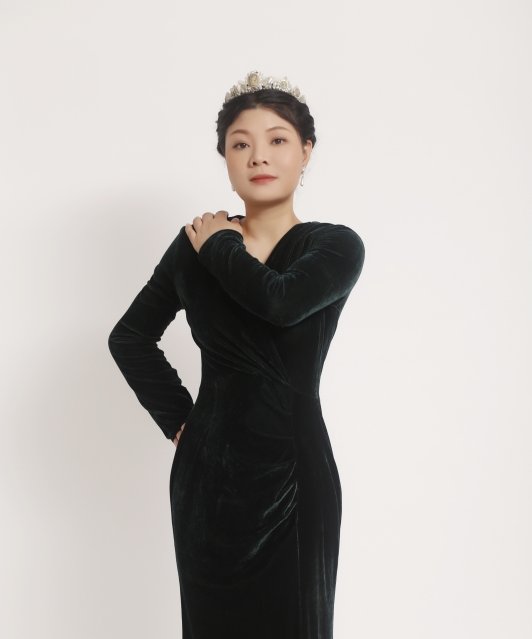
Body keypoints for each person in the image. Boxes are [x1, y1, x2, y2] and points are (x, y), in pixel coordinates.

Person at [108, 70, 365, 639]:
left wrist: (222, 243)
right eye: (240, 144)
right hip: (208, 485)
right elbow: (129, 337)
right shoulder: (192, 247)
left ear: (306, 151)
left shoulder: (334, 245)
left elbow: (281, 303)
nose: (258, 156)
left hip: (297, 476)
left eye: (277, 140)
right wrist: (181, 421)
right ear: (224, 157)